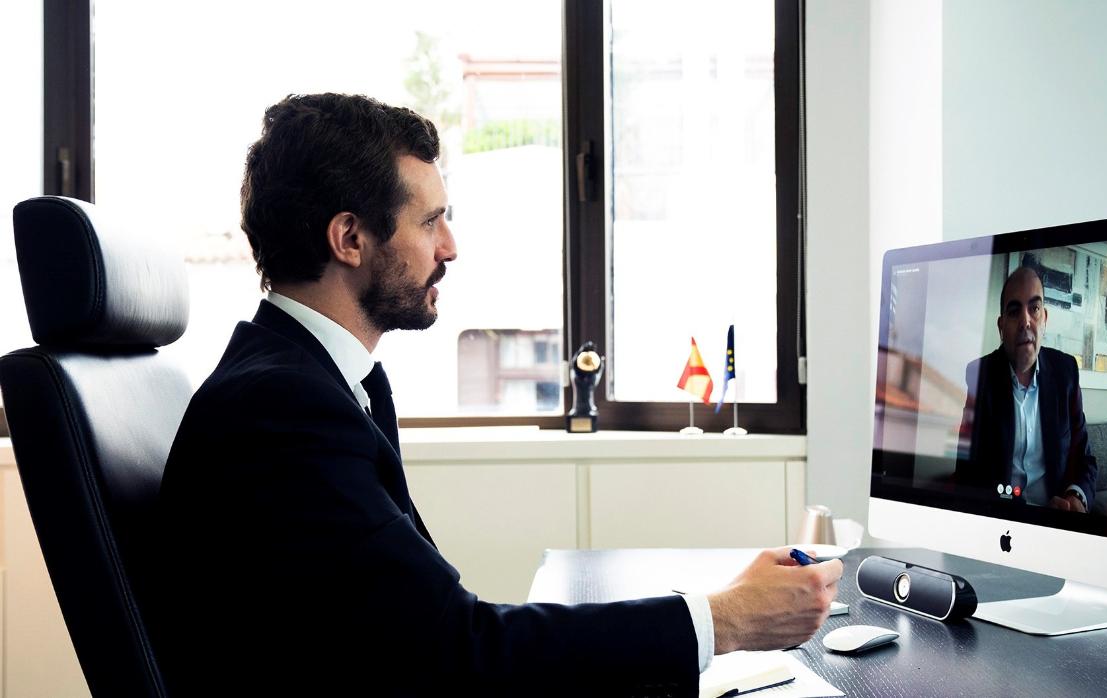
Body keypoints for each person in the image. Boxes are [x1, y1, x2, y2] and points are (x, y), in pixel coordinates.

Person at [151, 93, 843, 697]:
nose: (449, 247)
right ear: (350, 238)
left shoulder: (320, 382)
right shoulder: (281, 410)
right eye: (429, 222)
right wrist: (726, 620)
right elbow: (458, 651)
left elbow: (428, 632)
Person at [954, 265, 1098, 512]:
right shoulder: (980, 376)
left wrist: (1076, 497)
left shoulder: (1066, 373)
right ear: (1001, 327)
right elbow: (967, 469)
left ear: (1045, 319)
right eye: (1014, 311)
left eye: (1034, 308)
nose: (1025, 321)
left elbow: (1085, 460)